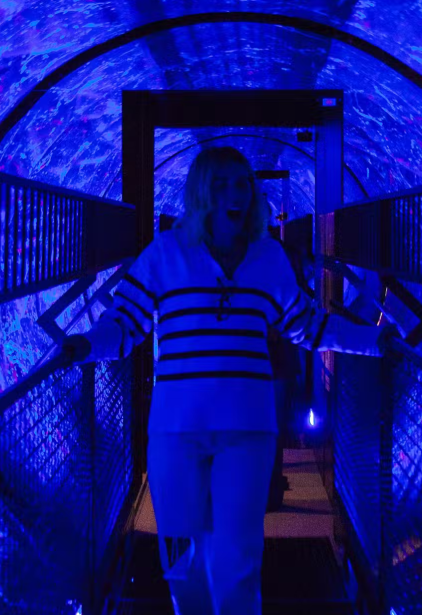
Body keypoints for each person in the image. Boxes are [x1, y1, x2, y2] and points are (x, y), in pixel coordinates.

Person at [55, 147, 399, 615]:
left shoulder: (267, 257)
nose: (235, 194)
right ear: (201, 193)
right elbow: (125, 324)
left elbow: (308, 325)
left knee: (239, 556)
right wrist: (84, 345)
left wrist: (375, 341)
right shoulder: (166, 255)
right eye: (221, 184)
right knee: (179, 555)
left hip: (247, 429)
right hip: (176, 430)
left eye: (242, 184)